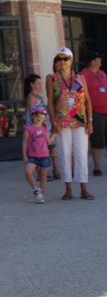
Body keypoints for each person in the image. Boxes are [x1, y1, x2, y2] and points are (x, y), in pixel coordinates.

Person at [46, 47, 94, 201]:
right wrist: (53, 121)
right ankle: (68, 190)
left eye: (65, 58)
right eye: (59, 59)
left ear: (71, 60)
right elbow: (51, 102)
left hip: (79, 121)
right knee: (64, 154)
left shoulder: (80, 78)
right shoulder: (52, 78)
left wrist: (90, 120)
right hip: (62, 122)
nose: (62, 62)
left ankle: (84, 189)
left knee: (81, 155)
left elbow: (87, 100)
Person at [24, 74, 60, 180]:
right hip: (36, 126)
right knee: (38, 148)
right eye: (38, 84)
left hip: (44, 124)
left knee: (49, 147)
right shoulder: (31, 97)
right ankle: (42, 173)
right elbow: (32, 113)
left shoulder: (39, 97)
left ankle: (55, 170)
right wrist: (39, 125)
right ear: (32, 85)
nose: (40, 86)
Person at [22, 106, 57, 203]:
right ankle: (36, 189)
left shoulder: (45, 128)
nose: (39, 118)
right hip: (32, 156)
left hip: (44, 155)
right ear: (32, 117)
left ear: (45, 118)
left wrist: (55, 134)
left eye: (42, 116)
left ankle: (41, 194)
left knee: (43, 176)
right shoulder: (28, 128)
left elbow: (48, 142)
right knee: (28, 172)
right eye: (36, 115)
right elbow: (25, 142)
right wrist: (24, 155)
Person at [80, 51, 106, 176]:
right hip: (93, 111)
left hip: (105, 110)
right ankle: (97, 166)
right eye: (99, 59)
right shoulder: (83, 74)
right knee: (95, 138)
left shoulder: (102, 73)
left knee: (101, 138)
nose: (101, 61)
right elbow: (76, 92)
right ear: (92, 61)